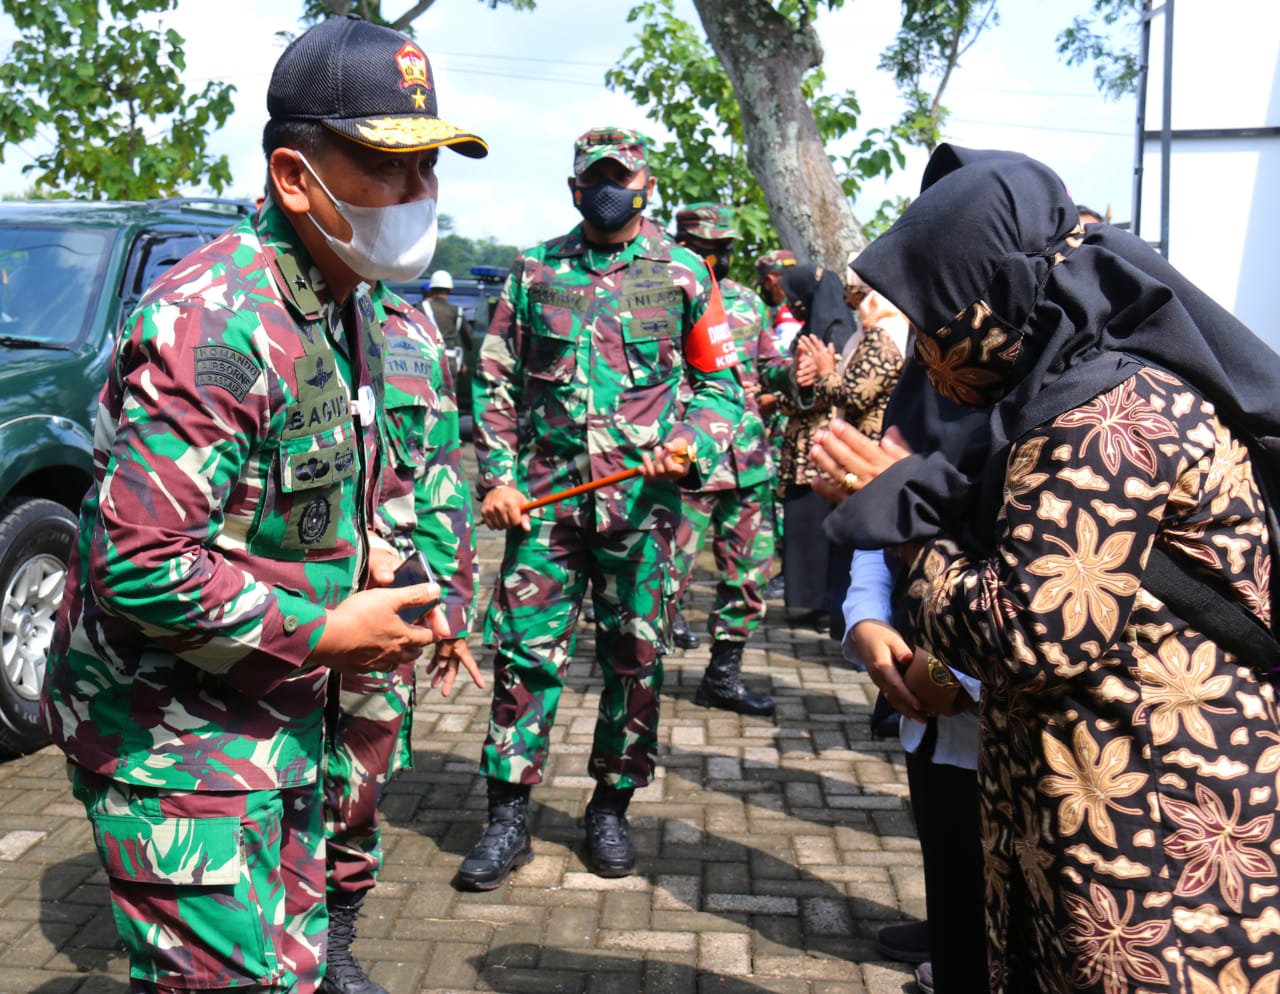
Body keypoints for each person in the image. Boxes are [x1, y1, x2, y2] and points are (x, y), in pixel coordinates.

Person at [38, 15, 483, 994]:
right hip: (175, 742)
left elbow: (298, 477)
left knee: (289, 970)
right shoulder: (217, 319)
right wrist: (326, 627)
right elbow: (140, 563)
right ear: (294, 176)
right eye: (389, 166)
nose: (420, 197)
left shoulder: (333, 294)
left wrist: (370, 556)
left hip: (268, 719)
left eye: (430, 169)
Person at [813, 144, 1280, 993]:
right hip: (1088, 798)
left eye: (935, 321)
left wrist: (909, 528)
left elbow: (1029, 633)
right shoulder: (1057, 395)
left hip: (1155, 828)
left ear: (995, 303)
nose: (921, 351)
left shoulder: (1105, 418)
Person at [461, 126, 745, 891]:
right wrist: (496, 478)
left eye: (622, 176)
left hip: (641, 513)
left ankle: (610, 807)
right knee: (523, 660)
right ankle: (508, 818)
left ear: (645, 185)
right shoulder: (535, 271)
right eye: (597, 177)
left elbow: (723, 388)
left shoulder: (683, 273)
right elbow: (493, 383)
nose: (610, 187)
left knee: (635, 661)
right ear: (575, 188)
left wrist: (689, 444)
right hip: (546, 510)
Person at [322, 275, 484, 994]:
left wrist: (444, 605)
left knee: (359, 781)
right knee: (255, 790)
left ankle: (332, 945)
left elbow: (442, 476)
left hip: (387, 615)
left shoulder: (412, 329)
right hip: (267, 618)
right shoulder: (238, 308)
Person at [668, 201, 786, 715]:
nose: (714, 260)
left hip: (750, 461)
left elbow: (768, 365)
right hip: (691, 459)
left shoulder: (745, 303)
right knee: (663, 570)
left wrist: (799, 372)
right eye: (704, 250)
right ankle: (637, 674)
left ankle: (722, 675)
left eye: (723, 250)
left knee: (748, 574)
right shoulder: (653, 299)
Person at [757, 262, 857, 632]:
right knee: (805, 522)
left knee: (815, 521)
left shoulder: (829, 333)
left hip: (818, 443)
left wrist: (778, 399)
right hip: (811, 441)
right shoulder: (827, 328)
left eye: (796, 295)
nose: (793, 302)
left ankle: (817, 602)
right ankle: (808, 600)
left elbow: (820, 390)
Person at [425, 268, 475, 413]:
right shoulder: (457, 311)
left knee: (429, 399)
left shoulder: (422, 308)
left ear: (431, 288)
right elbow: (468, 339)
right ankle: (449, 432)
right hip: (449, 362)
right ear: (450, 290)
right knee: (448, 401)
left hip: (428, 360)